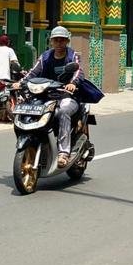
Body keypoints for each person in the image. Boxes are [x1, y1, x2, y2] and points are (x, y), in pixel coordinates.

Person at [15, 26, 84, 168]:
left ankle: (64, 152)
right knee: (27, 110)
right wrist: (21, 83)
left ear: (67, 41)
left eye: (62, 40)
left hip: (67, 96)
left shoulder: (72, 55)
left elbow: (78, 71)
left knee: (63, 111)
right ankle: (35, 140)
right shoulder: (45, 56)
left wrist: (72, 83)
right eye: (56, 40)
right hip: (46, 96)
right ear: (51, 41)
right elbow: (33, 72)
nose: (59, 43)